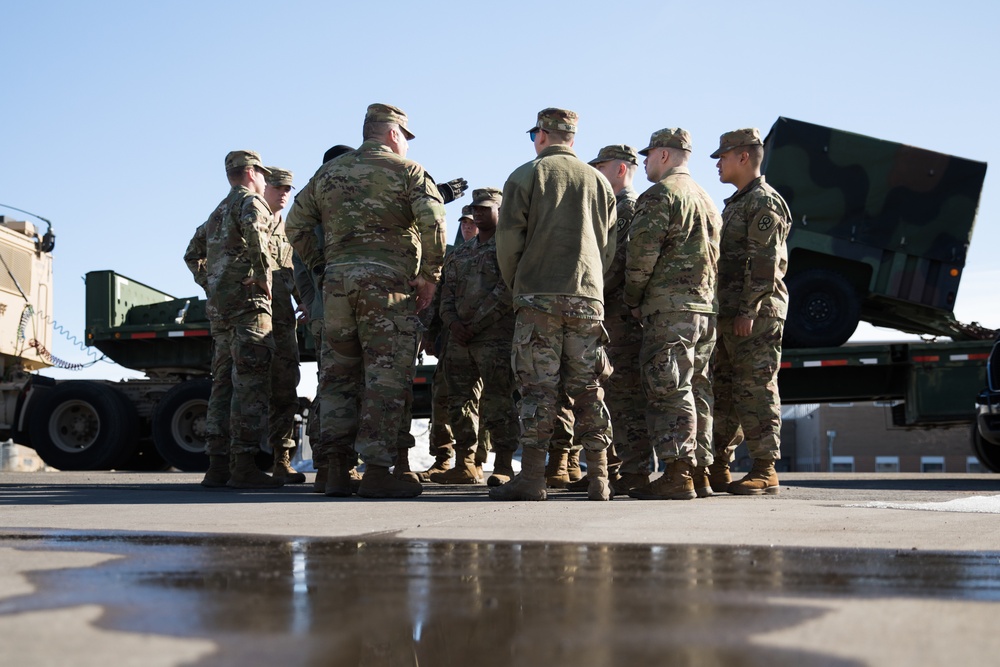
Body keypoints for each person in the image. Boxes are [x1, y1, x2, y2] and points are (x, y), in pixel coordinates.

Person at [285, 103, 446, 499]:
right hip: (386, 285)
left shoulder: (328, 173)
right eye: (405, 138)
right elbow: (433, 221)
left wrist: (325, 266)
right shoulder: (407, 171)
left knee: (338, 377)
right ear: (393, 134)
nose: (405, 145)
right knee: (385, 378)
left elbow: (295, 225)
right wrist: (430, 276)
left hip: (338, 286)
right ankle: (378, 470)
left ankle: (336, 470)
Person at [493, 107, 617, 501]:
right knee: (589, 387)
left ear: (542, 135)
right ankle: (599, 477)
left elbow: (509, 241)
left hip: (538, 295)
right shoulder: (599, 181)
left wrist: (519, 285)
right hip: (587, 296)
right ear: (573, 139)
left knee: (538, 388)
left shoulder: (526, 175)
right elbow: (607, 247)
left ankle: (532, 478)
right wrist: (591, 283)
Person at [623, 128, 721, 501]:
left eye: (649, 155)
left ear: (664, 155)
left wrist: (634, 297)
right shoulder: (707, 199)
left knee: (669, 387)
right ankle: (700, 473)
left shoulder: (660, 195)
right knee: (697, 388)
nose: (645, 162)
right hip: (704, 309)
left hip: (670, 309)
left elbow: (640, 258)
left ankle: (677, 472)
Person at [708, 128, 791, 495]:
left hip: (755, 314)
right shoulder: (738, 201)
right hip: (731, 313)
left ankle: (765, 467)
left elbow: (764, 264)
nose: (718, 164)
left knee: (756, 387)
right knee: (725, 390)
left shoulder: (765, 202)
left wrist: (747, 310)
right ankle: (719, 465)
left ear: (744, 157)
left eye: (723, 157)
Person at [202, 150, 283, 489]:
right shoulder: (250, 202)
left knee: (222, 383)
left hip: (221, 309)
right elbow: (258, 236)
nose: (265, 180)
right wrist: (264, 276)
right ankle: (245, 464)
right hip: (248, 304)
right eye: (262, 173)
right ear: (250, 172)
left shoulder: (216, 213)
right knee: (249, 380)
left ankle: (218, 465)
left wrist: (213, 281)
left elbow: (192, 253)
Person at [432, 187, 518, 486]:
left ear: (500, 211)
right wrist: (452, 322)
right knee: (459, 403)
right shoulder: (460, 253)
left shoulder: (508, 247)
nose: (478, 213)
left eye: (485, 209)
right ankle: (464, 463)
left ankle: (504, 464)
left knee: (498, 403)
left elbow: (507, 291)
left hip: (494, 338)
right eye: (475, 209)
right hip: (460, 341)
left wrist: (477, 323)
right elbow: (445, 293)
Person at [585, 144, 649, 494]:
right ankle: (611, 468)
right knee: (608, 393)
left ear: (621, 170)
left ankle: (634, 469)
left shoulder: (627, 208)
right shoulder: (613, 207)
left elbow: (617, 262)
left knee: (624, 394)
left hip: (620, 314)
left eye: (603, 166)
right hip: (611, 313)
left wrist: (589, 291)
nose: (597, 173)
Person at [261, 167, 306, 484]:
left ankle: (282, 460)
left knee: (285, 394)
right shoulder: (245, 221)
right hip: (250, 325)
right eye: (278, 187)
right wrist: (222, 293)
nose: (284, 193)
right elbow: (198, 255)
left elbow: (293, 278)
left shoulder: (286, 233)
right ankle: (234, 464)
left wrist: (305, 299)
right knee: (245, 393)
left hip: (282, 328)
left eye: (288, 188)